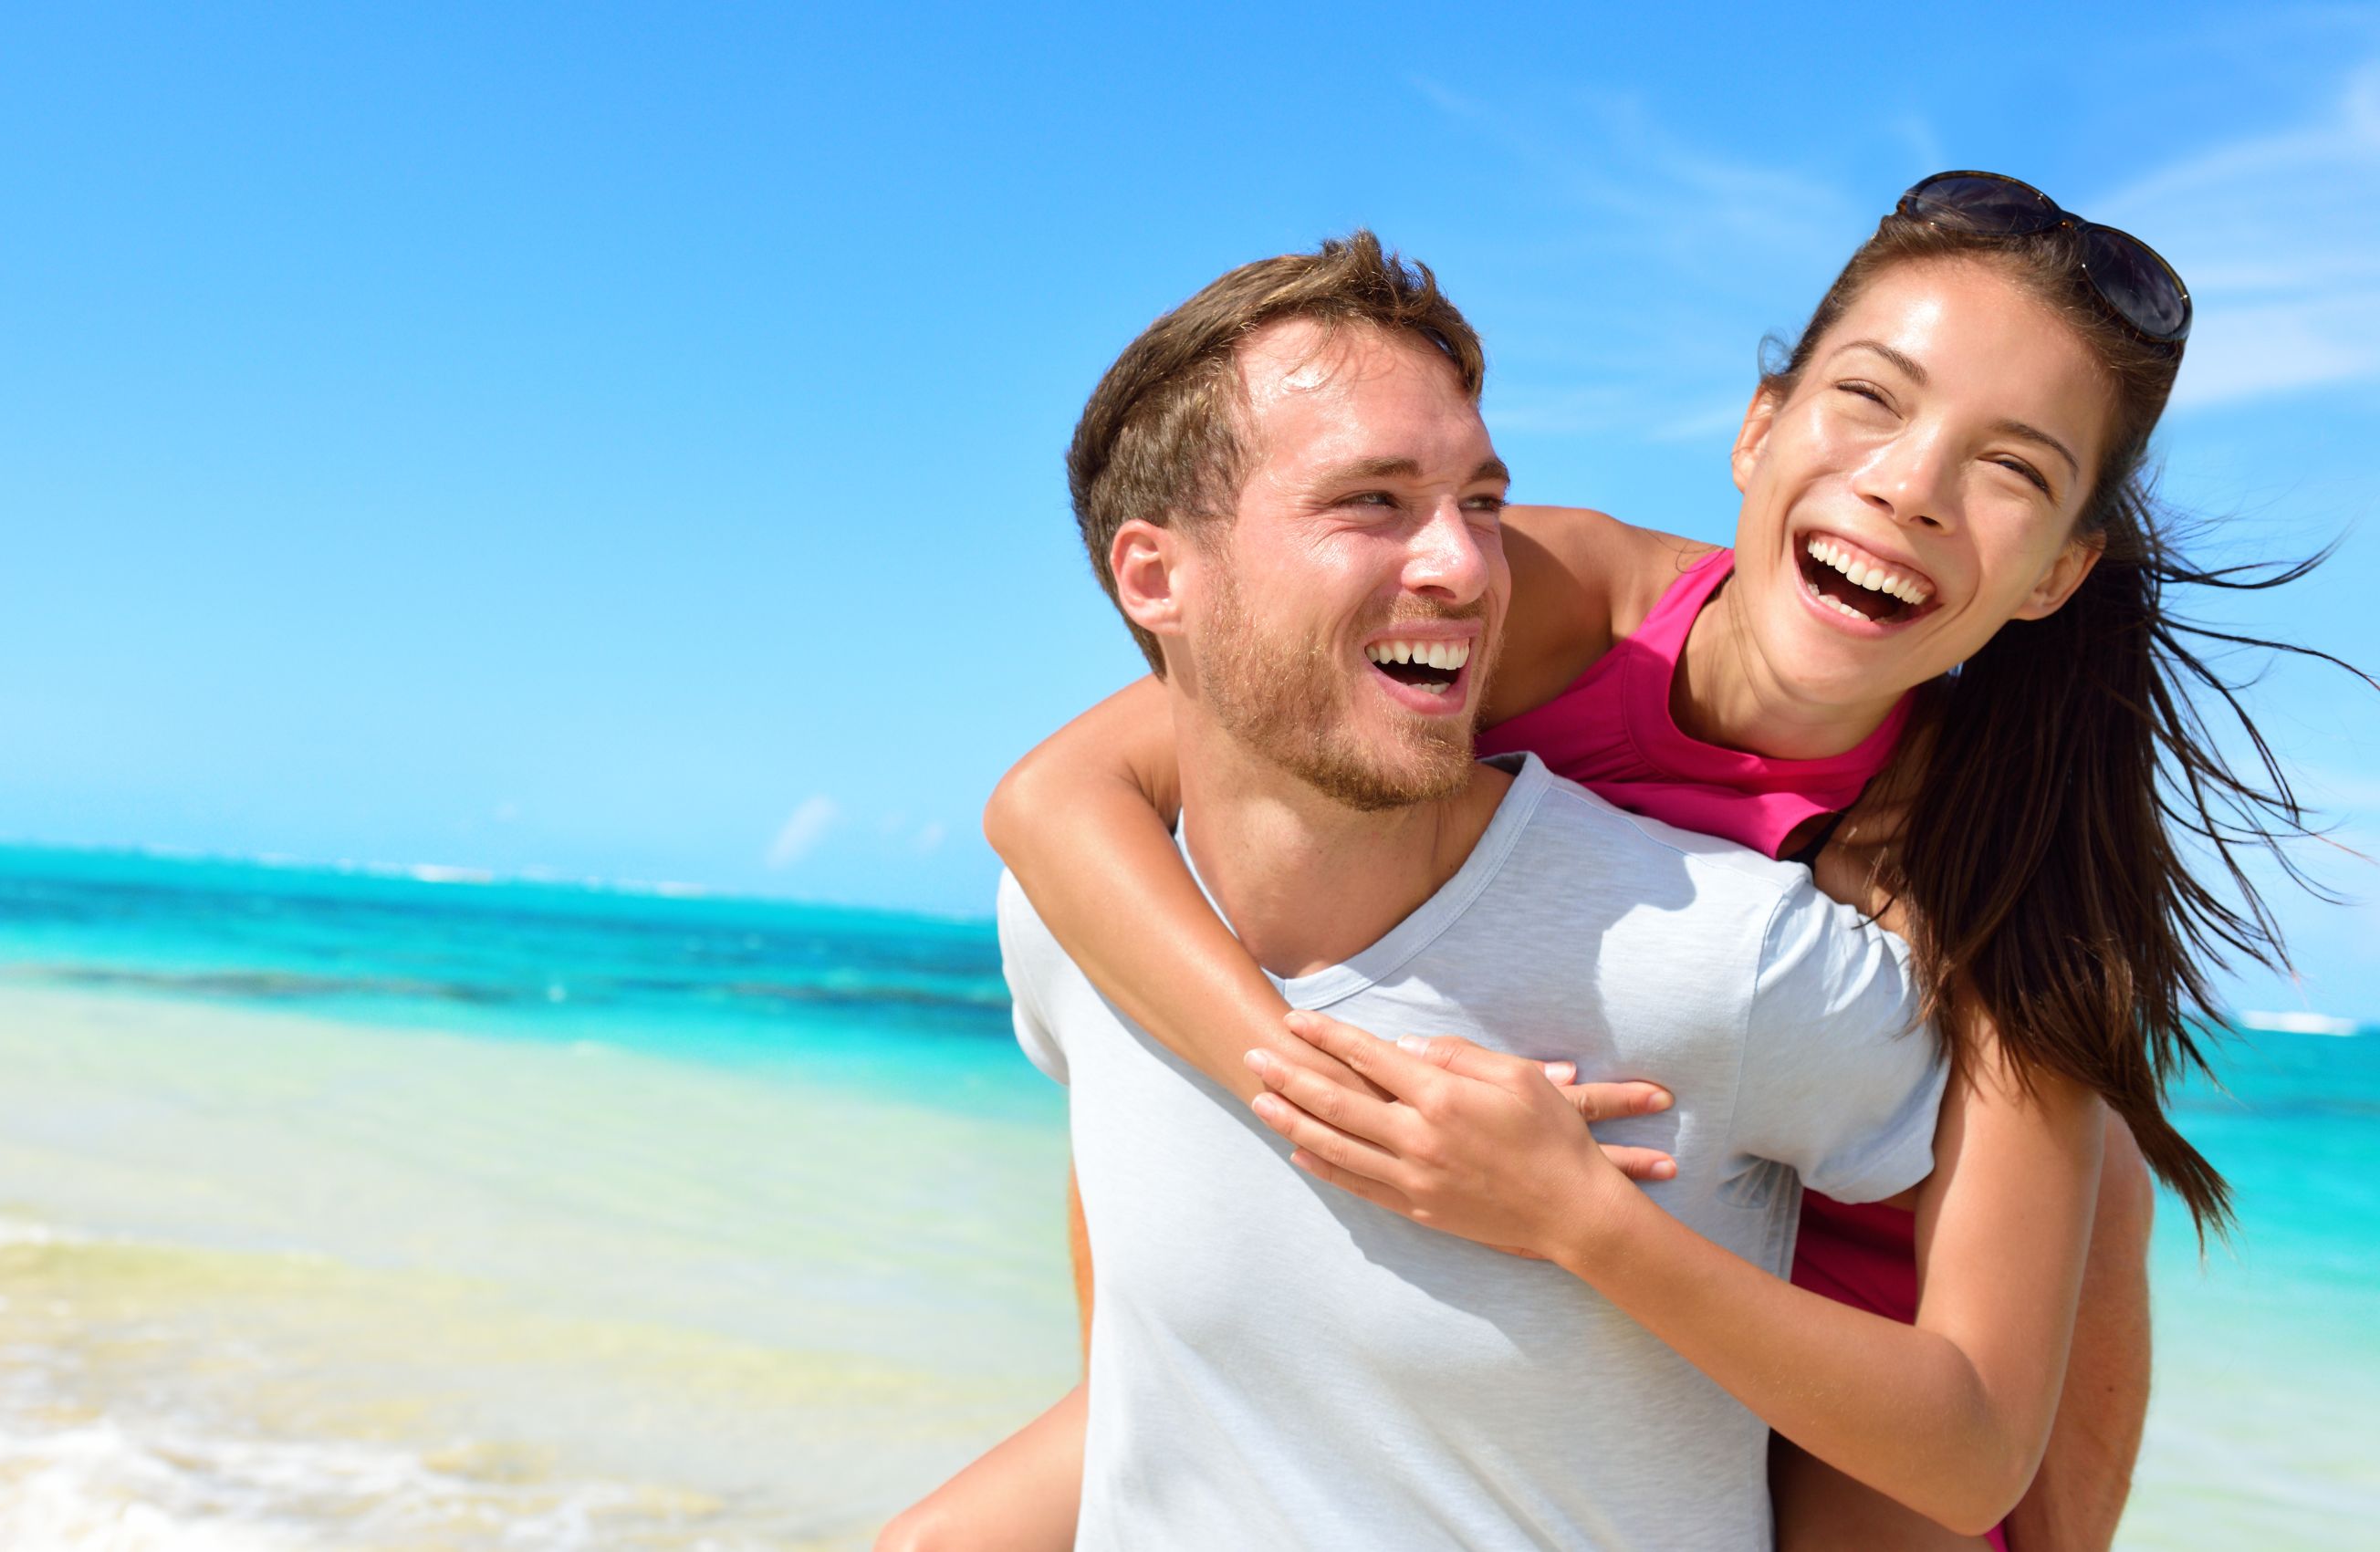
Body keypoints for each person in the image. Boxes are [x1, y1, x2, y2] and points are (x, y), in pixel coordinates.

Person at [890, 179, 2365, 1550]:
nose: (1912, 487)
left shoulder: (1996, 866)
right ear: (1757, 429)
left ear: (2055, 572)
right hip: (1493, 1188)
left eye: (2012, 470)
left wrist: (1577, 1217)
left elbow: (1978, 1437)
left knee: (2100, 1178)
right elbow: (1059, 795)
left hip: (1843, 1310)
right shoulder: (1554, 603)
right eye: (1871, 399)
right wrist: (1312, 1089)